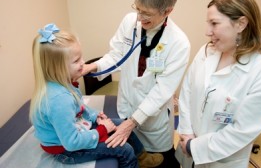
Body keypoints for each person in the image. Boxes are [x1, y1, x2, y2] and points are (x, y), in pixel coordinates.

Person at [82, 0, 190, 167]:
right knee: (132, 159)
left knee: (162, 162)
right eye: (137, 9)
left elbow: (162, 91)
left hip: (153, 120)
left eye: (147, 13)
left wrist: (132, 123)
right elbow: (117, 55)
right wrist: (92, 67)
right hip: (126, 106)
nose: (139, 18)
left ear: (168, 10)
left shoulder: (179, 43)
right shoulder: (129, 22)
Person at [176, 0, 261, 168]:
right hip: (187, 149)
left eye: (214, 23)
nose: (207, 31)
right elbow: (187, 92)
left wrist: (193, 146)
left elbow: (241, 131)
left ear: (241, 24)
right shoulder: (206, 52)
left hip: (222, 161)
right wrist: (187, 134)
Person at [29, 23, 164, 168]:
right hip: (66, 150)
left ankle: (142, 157)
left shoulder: (65, 83)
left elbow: (79, 108)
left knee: (123, 125)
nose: (83, 63)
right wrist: (102, 130)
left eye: (81, 58)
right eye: (76, 61)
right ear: (57, 67)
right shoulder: (58, 100)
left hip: (75, 130)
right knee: (124, 150)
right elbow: (72, 142)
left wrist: (94, 116)